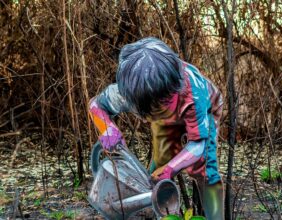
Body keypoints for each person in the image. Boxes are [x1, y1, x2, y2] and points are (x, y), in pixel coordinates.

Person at [88, 37, 224, 219]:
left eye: (164, 102)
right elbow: (96, 105)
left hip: (203, 110)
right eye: (153, 108)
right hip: (166, 121)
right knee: (159, 167)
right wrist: (107, 130)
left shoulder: (195, 94)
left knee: (205, 169)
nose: (160, 108)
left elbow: (198, 144)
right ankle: (161, 213)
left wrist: (172, 168)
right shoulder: (128, 93)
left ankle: (215, 216)